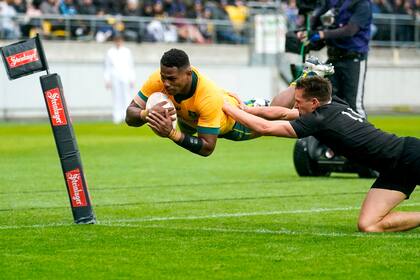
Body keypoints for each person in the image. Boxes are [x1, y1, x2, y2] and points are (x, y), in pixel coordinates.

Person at [223, 76, 420, 233]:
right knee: (368, 225)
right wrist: (247, 109)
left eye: (298, 102)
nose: (296, 106)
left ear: (314, 102)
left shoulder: (319, 120)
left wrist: (227, 109)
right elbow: (283, 113)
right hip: (393, 169)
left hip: (412, 156)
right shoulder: (331, 105)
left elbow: (265, 128)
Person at [125, 48, 259, 157]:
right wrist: (146, 114)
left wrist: (172, 134)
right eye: (163, 77)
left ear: (188, 74)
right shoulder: (157, 80)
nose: (166, 83)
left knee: (273, 122)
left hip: (235, 121)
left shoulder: (207, 96)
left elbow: (207, 148)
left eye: (172, 79)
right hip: (194, 120)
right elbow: (129, 116)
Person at [296, 0, 372, 118]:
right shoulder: (332, 2)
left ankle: (366, 136)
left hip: (353, 59)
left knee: (354, 105)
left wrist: (321, 34)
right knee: (328, 102)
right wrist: (306, 31)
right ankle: (326, 135)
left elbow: (350, 30)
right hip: (333, 57)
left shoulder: (361, 3)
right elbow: (318, 19)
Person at [104, 34, 136, 124]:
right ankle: (116, 116)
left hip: (125, 76)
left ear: (122, 41)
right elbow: (107, 67)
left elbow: (131, 66)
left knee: (126, 96)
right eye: (116, 41)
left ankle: (126, 116)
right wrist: (107, 79)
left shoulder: (127, 51)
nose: (118, 42)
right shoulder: (110, 52)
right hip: (114, 77)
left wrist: (132, 78)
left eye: (119, 41)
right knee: (116, 97)